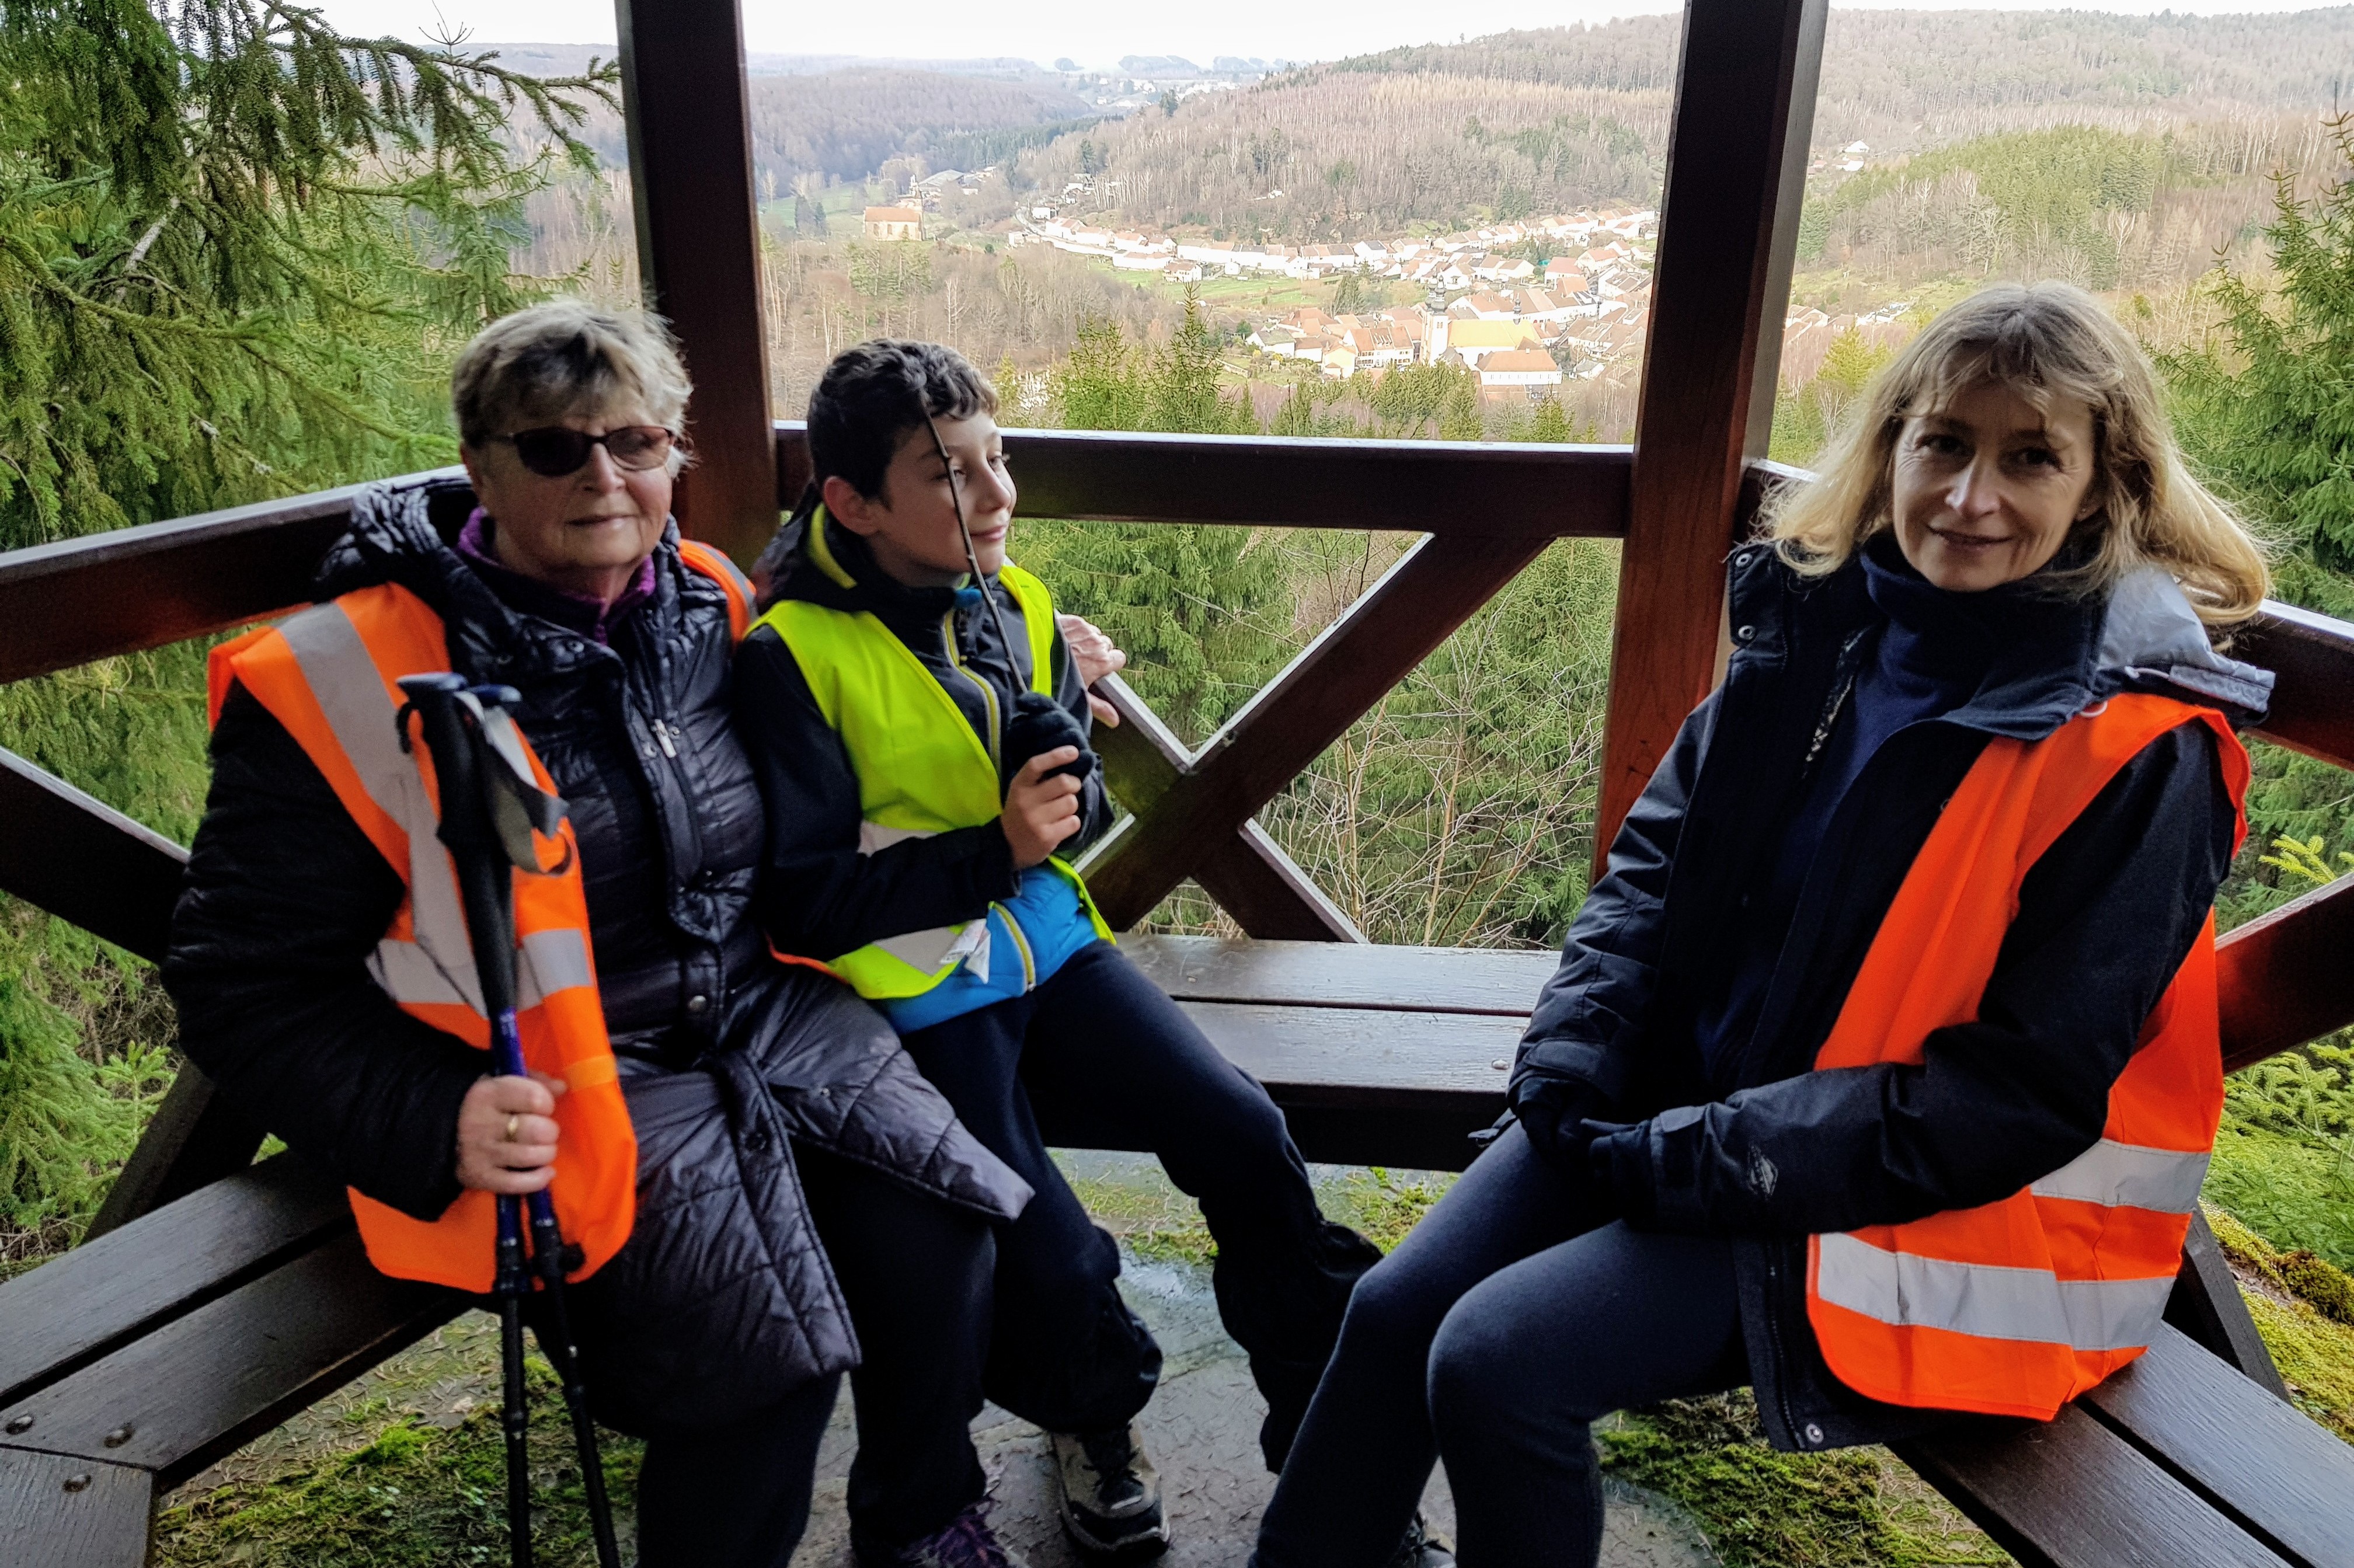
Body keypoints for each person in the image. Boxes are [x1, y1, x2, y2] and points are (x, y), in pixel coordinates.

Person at [1252, 281, 2276, 1567]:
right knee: (1398, 1310)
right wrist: (1572, 1059)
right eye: (1944, 442)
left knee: (1499, 1362)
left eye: (2030, 458)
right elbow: (1653, 867)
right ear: (1893, 445)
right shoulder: (1827, 625)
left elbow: (2020, 1096)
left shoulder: (2136, 747)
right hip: (1710, 1119)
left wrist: (1704, 1158)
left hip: (1943, 1218)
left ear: (2102, 488)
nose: (1970, 496)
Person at [162, 301, 1039, 1568]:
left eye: (635, 442)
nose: (603, 477)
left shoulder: (709, 601)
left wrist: (1054, 663)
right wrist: (436, 1113)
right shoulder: (349, 678)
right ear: (480, 467)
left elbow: (882, 637)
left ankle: (918, 1523)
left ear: (674, 452)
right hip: (558, 1077)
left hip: (762, 1007)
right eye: (553, 448)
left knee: (944, 1231)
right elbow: (238, 984)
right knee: (759, 1366)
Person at [736, 340, 1383, 1559]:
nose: (996, 494)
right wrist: (992, 849)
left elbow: (1066, 807)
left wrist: (1061, 776)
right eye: (951, 472)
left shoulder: (1018, 602)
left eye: (999, 457)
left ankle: (1336, 1444)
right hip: (919, 993)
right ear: (854, 503)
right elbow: (803, 902)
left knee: (1244, 1135)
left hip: (1051, 948)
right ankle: (1094, 1412)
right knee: (1046, 1256)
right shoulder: (793, 656)